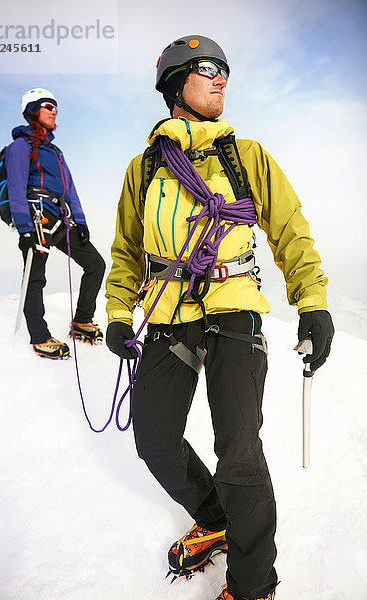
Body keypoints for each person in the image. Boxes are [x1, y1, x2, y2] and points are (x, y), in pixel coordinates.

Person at [105, 36, 334, 600]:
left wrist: (314, 302)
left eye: (225, 71)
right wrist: (115, 310)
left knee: (239, 452)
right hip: (169, 311)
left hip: (235, 309)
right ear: (174, 83)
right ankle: (215, 517)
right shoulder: (146, 168)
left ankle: (254, 586)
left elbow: (289, 229)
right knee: (154, 439)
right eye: (209, 69)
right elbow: (127, 250)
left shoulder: (247, 155)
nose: (221, 79)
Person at [6, 88, 106, 359]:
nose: (54, 110)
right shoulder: (19, 147)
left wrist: (81, 221)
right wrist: (25, 230)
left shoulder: (55, 151)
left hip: (60, 219)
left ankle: (82, 321)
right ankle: (39, 337)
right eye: (48, 106)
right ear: (32, 111)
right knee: (35, 276)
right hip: (37, 218)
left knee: (96, 265)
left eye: (55, 106)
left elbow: (69, 188)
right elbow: (16, 188)